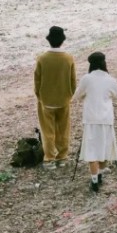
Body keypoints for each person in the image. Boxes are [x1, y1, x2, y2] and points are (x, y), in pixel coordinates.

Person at [74, 51, 117, 194]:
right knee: (104, 148)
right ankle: (100, 172)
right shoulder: (110, 79)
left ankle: (94, 179)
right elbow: (116, 95)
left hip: (91, 119)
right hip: (106, 119)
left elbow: (76, 96)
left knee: (92, 150)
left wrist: (83, 97)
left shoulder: (86, 79)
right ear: (104, 62)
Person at [34, 26, 77, 168]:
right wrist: (69, 96)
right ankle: (62, 157)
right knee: (63, 129)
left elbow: (37, 80)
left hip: (46, 100)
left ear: (49, 40)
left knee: (47, 131)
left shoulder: (42, 59)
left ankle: (49, 158)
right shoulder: (68, 58)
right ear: (62, 41)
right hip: (63, 100)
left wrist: (39, 96)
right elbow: (73, 81)